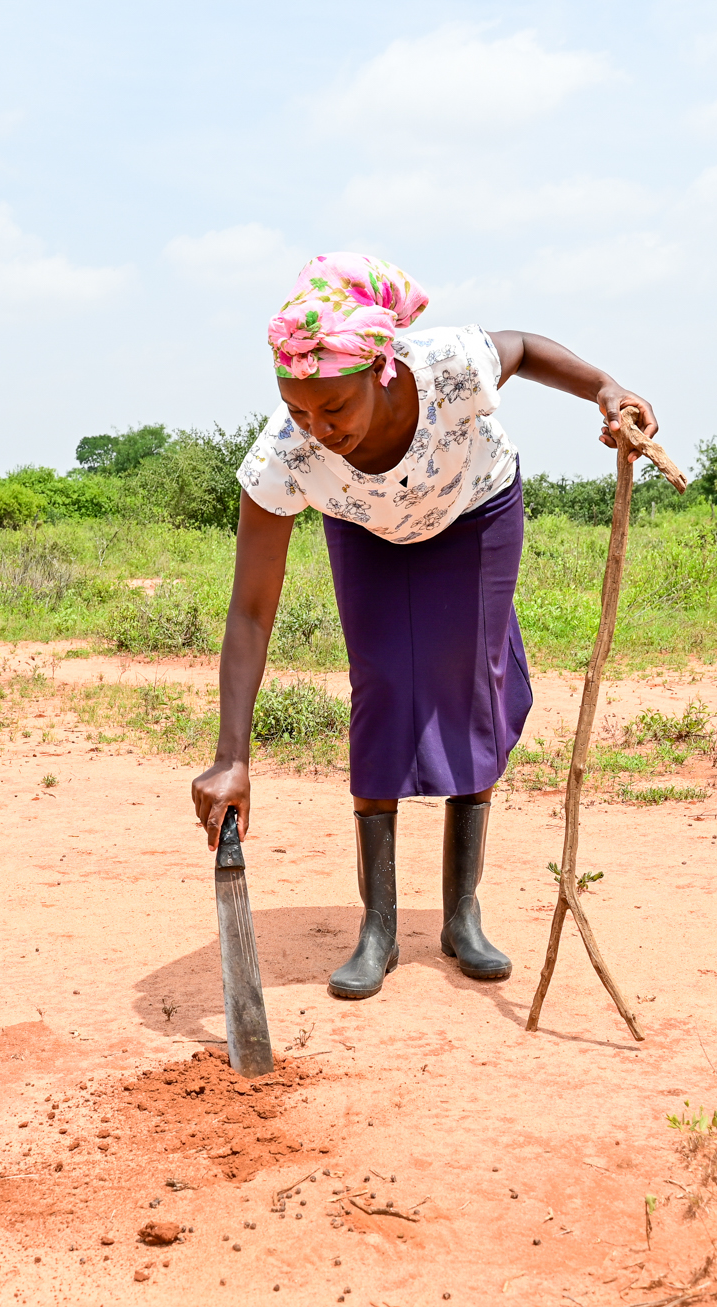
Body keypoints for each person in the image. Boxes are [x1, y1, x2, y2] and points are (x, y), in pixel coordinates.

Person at [189, 253, 658, 1001]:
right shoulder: (286, 454)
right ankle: (378, 927)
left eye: (333, 409)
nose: (317, 428)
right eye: (299, 409)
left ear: (378, 372)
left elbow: (526, 349)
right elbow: (250, 610)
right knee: (381, 685)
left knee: (466, 683)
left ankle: (461, 916)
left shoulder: (447, 366)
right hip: (368, 529)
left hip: (475, 508)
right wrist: (230, 754)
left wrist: (605, 387)